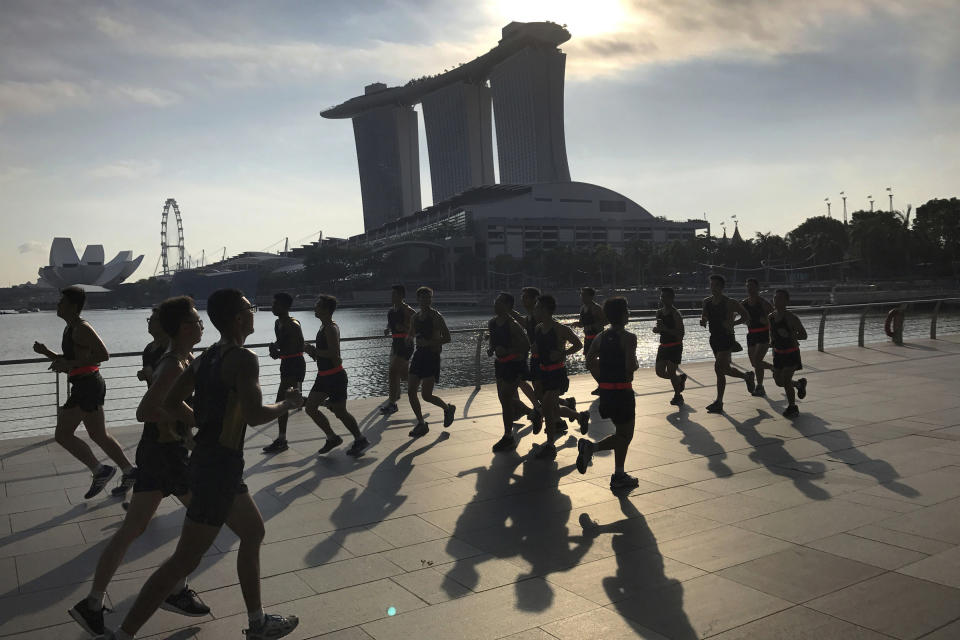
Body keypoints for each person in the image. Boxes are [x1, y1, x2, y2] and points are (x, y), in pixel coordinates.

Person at [102, 289, 302, 640]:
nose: (254, 313)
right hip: (218, 470)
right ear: (239, 318)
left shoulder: (206, 357)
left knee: (253, 531)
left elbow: (175, 398)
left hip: (215, 463)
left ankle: (258, 622)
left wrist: (201, 423)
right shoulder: (242, 359)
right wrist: (288, 403)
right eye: (249, 308)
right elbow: (255, 416)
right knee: (183, 560)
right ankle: (123, 634)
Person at [69, 297, 209, 637]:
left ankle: (93, 603)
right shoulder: (173, 362)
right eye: (196, 321)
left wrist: (186, 426)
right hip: (166, 455)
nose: (202, 325)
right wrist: (189, 420)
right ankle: (174, 589)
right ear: (182, 327)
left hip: (163, 452)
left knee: (135, 528)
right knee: (205, 520)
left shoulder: (182, 358)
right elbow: (147, 410)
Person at [32, 286, 135, 499]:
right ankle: (130, 471)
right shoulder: (70, 328)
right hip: (86, 384)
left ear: (72, 306)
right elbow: (72, 359)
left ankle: (100, 470)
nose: (57, 305)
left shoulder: (81, 328)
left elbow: (103, 355)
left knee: (62, 434)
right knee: (98, 434)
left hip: (87, 385)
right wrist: (47, 353)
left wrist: (67, 362)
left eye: (61, 302)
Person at [576, 297, 641, 493]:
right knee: (625, 435)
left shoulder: (600, 337)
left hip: (607, 393)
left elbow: (588, 362)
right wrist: (633, 366)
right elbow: (631, 365)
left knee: (621, 434)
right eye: (627, 310)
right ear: (623, 315)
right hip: (623, 391)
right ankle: (592, 449)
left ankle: (619, 474)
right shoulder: (629, 338)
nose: (628, 313)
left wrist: (603, 379)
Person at [304, 295, 369, 457]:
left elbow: (334, 353)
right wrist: (312, 352)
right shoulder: (323, 327)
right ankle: (332, 437)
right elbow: (326, 355)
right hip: (323, 376)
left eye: (317, 305)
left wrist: (313, 350)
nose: (315, 308)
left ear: (326, 310)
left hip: (335, 377)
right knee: (311, 408)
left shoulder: (331, 328)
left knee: (340, 412)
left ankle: (360, 439)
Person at [531, 294, 587, 460]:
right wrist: (535, 350)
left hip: (557, 372)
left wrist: (562, 353)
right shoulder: (538, 328)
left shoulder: (560, 329)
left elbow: (578, 344)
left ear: (545, 309)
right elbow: (539, 348)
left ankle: (550, 445)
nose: (535, 310)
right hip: (543, 372)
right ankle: (579, 416)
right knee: (552, 407)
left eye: (537, 307)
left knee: (547, 407)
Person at [699, 275, 755, 413]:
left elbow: (746, 316)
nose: (713, 287)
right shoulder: (706, 302)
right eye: (711, 285)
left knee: (718, 368)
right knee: (725, 369)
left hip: (727, 338)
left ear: (721, 287)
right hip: (714, 339)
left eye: (715, 285)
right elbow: (705, 315)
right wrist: (703, 320)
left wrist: (733, 323)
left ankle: (719, 401)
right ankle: (747, 376)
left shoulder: (730, 302)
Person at [407, 287, 456, 437]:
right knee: (410, 391)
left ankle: (447, 409)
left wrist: (431, 342)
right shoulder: (415, 317)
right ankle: (421, 423)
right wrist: (407, 340)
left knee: (426, 395)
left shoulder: (436, 317)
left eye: (428, 298)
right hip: (418, 355)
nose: (425, 300)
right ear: (418, 299)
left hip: (431, 356)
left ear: (431, 299)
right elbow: (411, 335)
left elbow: (447, 337)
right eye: (422, 298)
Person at [487, 292, 531, 453]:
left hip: (514, 365)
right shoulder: (492, 323)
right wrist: (491, 349)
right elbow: (493, 341)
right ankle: (531, 414)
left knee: (506, 398)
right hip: (500, 365)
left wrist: (507, 350)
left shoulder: (513, 325)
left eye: (499, 302)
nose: (495, 304)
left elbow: (526, 346)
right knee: (505, 401)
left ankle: (508, 436)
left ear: (507, 306)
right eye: (495, 301)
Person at [263, 292, 305, 454]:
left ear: (285, 306)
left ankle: (282, 439)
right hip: (286, 363)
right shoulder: (277, 323)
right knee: (290, 399)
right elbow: (282, 347)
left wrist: (277, 352)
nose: (273, 307)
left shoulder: (292, 325)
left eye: (276, 305)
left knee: (282, 400)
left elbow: (298, 348)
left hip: (295, 364)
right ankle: (323, 403)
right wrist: (275, 350)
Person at [769, 289, 809, 417]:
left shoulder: (792, 318)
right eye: (775, 298)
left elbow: (804, 335)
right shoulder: (771, 317)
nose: (777, 301)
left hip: (791, 353)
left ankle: (792, 407)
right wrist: (772, 343)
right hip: (778, 353)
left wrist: (790, 335)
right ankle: (799, 384)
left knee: (786, 380)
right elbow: (772, 333)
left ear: (787, 301)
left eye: (780, 298)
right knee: (778, 381)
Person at [379, 284, 415, 416]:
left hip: (406, 344)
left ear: (402, 296)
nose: (392, 296)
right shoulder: (391, 310)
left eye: (395, 294)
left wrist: (405, 328)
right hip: (395, 344)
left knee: (393, 371)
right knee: (405, 377)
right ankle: (422, 378)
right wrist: (388, 328)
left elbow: (416, 327)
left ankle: (392, 404)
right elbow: (391, 322)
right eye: (392, 294)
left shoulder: (408, 310)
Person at [738, 278, 774, 397]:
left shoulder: (763, 303)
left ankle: (760, 386)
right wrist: (732, 323)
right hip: (751, 334)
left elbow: (775, 316)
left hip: (763, 334)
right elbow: (736, 315)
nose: (750, 288)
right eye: (748, 286)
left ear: (758, 288)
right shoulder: (744, 303)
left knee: (758, 361)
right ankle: (771, 367)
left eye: (752, 286)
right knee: (754, 363)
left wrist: (767, 321)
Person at [653, 287, 687, 406]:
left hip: (675, 346)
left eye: (666, 297)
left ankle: (678, 395)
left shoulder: (676, 314)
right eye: (662, 296)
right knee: (660, 372)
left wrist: (665, 329)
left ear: (672, 298)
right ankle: (680, 379)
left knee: (671, 372)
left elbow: (681, 334)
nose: (663, 299)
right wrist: (657, 330)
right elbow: (659, 329)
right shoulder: (659, 312)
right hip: (663, 346)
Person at [573, 286, 607, 395]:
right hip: (588, 339)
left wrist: (594, 326)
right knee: (589, 364)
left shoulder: (596, 308)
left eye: (584, 295)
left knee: (593, 362)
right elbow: (582, 322)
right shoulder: (582, 308)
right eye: (581, 295)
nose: (582, 297)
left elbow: (606, 321)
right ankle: (602, 384)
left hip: (598, 338)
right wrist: (577, 324)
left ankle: (603, 384)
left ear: (591, 296)